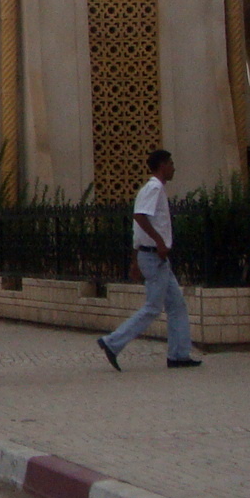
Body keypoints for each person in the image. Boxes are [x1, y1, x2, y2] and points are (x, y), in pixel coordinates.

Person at [98, 149, 201, 371]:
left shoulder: (153, 189)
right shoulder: (154, 188)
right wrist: (160, 243)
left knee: (176, 305)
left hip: (153, 256)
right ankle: (112, 342)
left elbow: (137, 230)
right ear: (162, 165)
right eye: (171, 163)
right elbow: (139, 217)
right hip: (155, 256)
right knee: (153, 307)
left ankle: (179, 354)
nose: (173, 167)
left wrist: (135, 260)